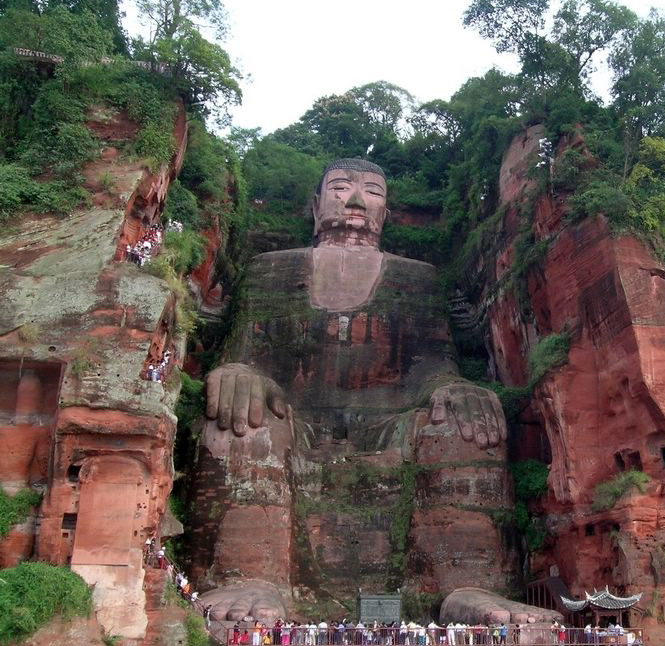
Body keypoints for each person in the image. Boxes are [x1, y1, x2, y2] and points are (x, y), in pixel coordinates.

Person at [194, 159, 509, 623]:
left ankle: (467, 587)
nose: (357, 200)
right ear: (315, 205)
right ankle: (251, 575)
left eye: (373, 192)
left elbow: (433, 369)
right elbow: (246, 353)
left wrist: (457, 387)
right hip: (295, 420)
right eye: (341, 188)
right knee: (241, 418)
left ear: (387, 212)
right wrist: (238, 370)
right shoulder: (269, 270)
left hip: (391, 422)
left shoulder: (417, 277)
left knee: (465, 425)